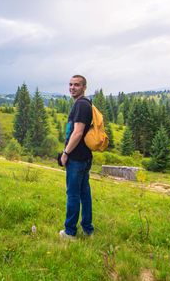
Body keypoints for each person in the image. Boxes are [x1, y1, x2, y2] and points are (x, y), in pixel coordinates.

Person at [60, 75, 94, 240]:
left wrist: (66, 153)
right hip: (85, 156)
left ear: (84, 87)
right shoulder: (86, 103)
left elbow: (78, 132)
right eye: (70, 84)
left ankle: (70, 232)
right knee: (84, 193)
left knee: (73, 194)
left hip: (77, 158)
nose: (72, 87)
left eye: (77, 85)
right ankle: (88, 230)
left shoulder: (81, 105)